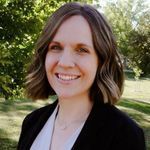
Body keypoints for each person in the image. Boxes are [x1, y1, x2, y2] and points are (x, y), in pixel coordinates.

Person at [17, 2, 145, 150]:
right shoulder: (31, 122)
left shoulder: (124, 135)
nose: (65, 62)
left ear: (101, 60)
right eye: (56, 47)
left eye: (82, 50)